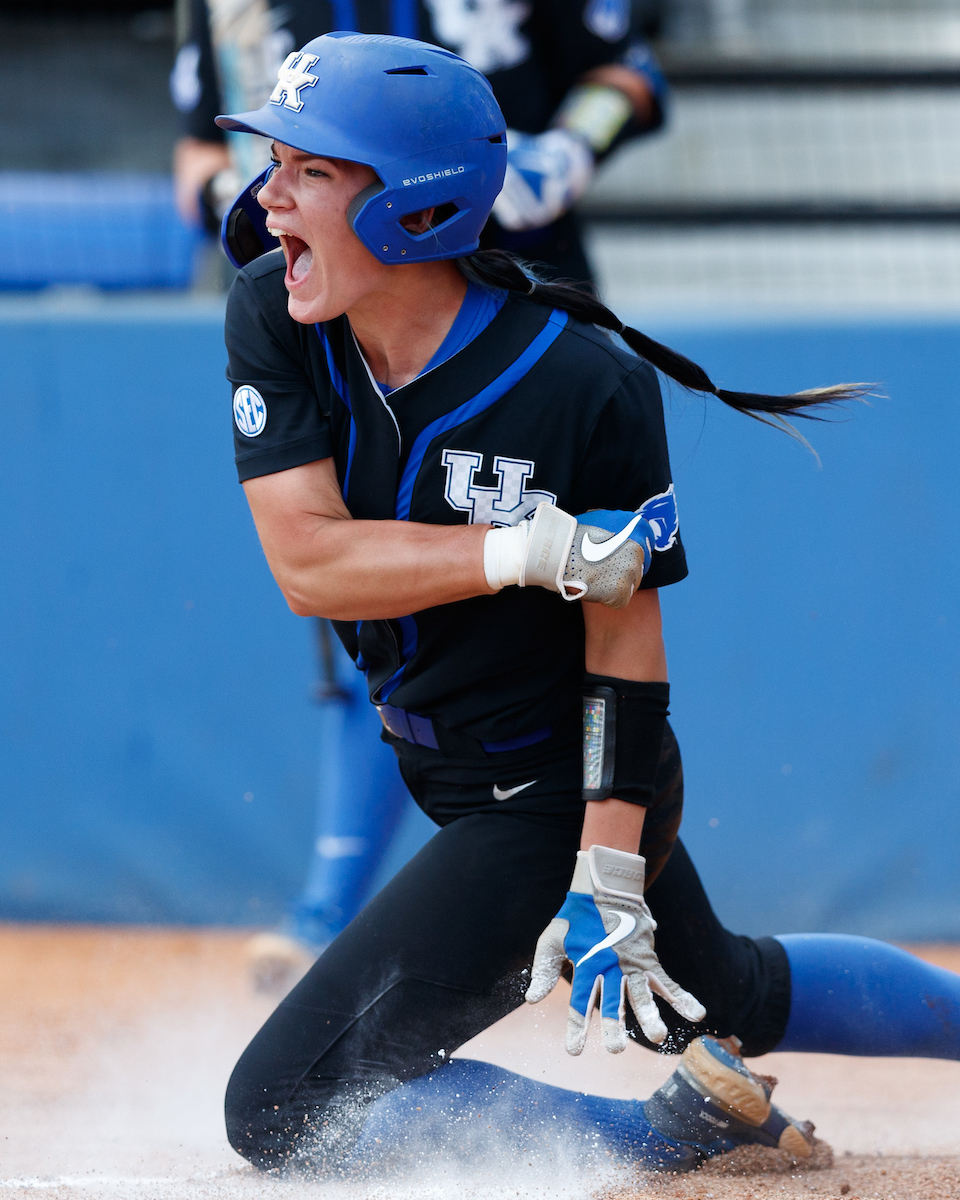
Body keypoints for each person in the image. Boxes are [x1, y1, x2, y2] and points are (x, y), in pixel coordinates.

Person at [219, 33, 960, 1175]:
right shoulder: (279, 312)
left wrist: (604, 865)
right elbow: (308, 563)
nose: (268, 197)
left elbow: (627, 636)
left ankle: (665, 1130)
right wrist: (522, 552)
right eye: (276, 160)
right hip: (459, 767)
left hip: (553, 791)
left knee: (279, 1113)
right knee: (731, 987)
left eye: (311, 171)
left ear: (413, 209)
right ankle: (723, 1091)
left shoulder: (583, 383)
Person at [173, 0, 672, 980]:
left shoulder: (594, 380)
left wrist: (570, 147)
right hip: (337, 297)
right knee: (369, 600)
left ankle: (351, 912)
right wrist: (272, 189)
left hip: (506, 295)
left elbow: (630, 75)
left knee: (505, 636)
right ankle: (334, 907)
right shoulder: (246, 8)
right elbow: (195, 157)